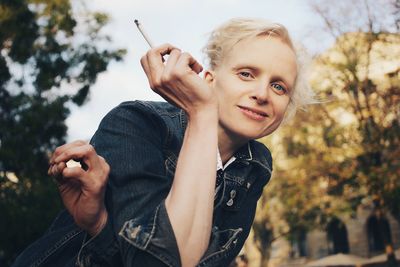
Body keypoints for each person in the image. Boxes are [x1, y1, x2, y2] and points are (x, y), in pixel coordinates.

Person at [12, 18, 315, 267]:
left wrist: (101, 226)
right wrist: (201, 112)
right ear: (208, 79)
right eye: (246, 73)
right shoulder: (137, 121)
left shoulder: (255, 164)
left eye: (279, 86)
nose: (262, 93)